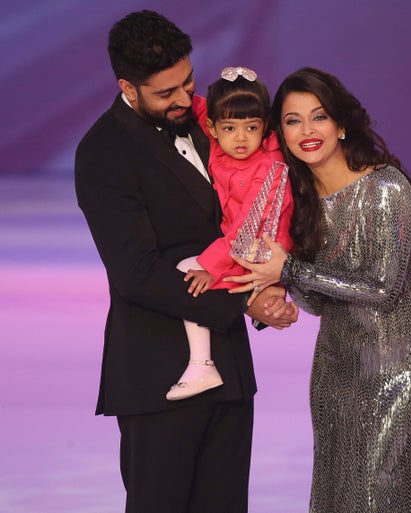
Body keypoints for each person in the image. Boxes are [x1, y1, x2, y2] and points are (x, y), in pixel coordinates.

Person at [74, 10, 298, 513]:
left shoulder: (207, 122)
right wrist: (244, 304)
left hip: (230, 371)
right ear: (127, 88)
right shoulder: (103, 153)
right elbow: (136, 273)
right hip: (158, 377)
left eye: (188, 82)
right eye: (165, 92)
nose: (183, 99)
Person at [224, 67, 411, 513]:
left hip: (401, 364)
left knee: (380, 495)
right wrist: (273, 292)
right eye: (292, 120)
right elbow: (321, 301)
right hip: (335, 364)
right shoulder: (297, 199)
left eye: (318, 117)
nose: (306, 131)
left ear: (341, 124)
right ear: (279, 133)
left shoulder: (384, 187)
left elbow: (383, 287)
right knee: (334, 496)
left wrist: (289, 271)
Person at [166, 66, 294, 401]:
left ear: (264, 127)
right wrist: (172, 95)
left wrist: (209, 266)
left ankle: (201, 364)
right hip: (240, 247)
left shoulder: (268, 167)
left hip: (258, 250)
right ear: (213, 128)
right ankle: (273, 304)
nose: (241, 137)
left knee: (187, 270)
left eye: (252, 128)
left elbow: (246, 229)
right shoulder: (220, 143)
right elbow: (200, 105)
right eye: (230, 128)